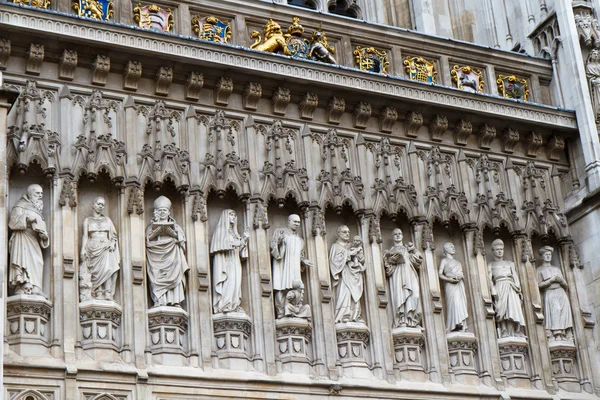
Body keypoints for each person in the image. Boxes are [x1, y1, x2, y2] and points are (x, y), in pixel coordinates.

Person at [146, 196, 189, 307]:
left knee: (175, 275)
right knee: (156, 277)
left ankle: (174, 301)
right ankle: (160, 301)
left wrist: (173, 234)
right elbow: (147, 240)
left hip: (173, 256)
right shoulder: (151, 227)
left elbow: (182, 241)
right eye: (160, 210)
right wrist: (156, 232)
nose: (162, 212)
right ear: (156, 212)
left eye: (164, 210)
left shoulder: (176, 227)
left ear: (169, 212)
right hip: (156, 256)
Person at [9, 184, 49, 296]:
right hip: (22, 238)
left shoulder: (38, 210)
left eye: (41, 193)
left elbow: (42, 230)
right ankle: (22, 286)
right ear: (30, 194)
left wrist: (44, 237)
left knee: (38, 261)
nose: (40, 196)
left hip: (34, 239)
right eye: (37, 193)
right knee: (23, 260)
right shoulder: (20, 206)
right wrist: (26, 219)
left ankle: (36, 286)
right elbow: (12, 222)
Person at [271, 214, 313, 319]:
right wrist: (279, 242)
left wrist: (304, 261)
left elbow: (300, 255)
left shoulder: (300, 240)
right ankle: (280, 312)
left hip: (294, 269)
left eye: (298, 222)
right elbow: (273, 247)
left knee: (295, 288)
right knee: (281, 288)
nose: (297, 224)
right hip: (282, 267)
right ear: (289, 221)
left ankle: (293, 309)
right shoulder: (280, 232)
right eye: (295, 222)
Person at [80, 197, 120, 301]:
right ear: (93, 204)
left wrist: (112, 243)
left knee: (108, 268)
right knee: (95, 271)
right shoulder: (87, 220)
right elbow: (85, 236)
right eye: (99, 204)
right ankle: (98, 292)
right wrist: (82, 250)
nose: (101, 206)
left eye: (103, 205)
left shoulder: (107, 220)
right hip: (92, 247)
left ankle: (107, 293)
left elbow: (113, 235)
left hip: (106, 247)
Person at [210, 209, 250, 314]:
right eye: (231, 215)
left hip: (235, 261)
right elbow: (223, 245)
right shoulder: (220, 231)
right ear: (225, 217)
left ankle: (234, 304)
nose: (233, 217)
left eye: (234, 215)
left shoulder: (235, 233)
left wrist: (243, 241)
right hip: (226, 263)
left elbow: (239, 250)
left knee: (236, 284)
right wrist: (242, 240)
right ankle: (225, 304)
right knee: (229, 281)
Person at [383, 228, 423, 328]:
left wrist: (413, 250)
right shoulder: (390, 251)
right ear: (392, 237)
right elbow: (387, 268)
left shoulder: (408, 249)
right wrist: (390, 260)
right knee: (401, 297)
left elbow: (418, 261)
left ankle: (412, 320)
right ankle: (402, 320)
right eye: (395, 234)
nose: (398, 235)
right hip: (398, 276)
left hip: (410, 274)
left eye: (400, 233)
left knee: (415, 296)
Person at [488, 239, 526, 338]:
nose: (500, 251)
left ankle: (515, 330)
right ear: (493, 251)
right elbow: (489, 279)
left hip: (510, 286)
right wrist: (493, 290)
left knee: (513, 307)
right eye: (497, 250)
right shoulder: (491, 265)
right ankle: (504, 330)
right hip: (499, 285)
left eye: (501, 249)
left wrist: (518, 288)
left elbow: (515, 276)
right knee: (502, 309)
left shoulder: (510, 263)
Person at [537, 246, 573, 342]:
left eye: (550, 255)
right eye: (546, 255)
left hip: (560, 293)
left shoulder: (556, 269)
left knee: (563, 313)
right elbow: (538, 285)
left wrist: (561, 281)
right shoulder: (539, 270)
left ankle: (564, 334)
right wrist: (551, 280)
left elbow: (566, 285)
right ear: (542, 257)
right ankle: (557, 334)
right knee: (555, 312)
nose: (548, 256)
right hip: (550, 293)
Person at [330, 227, 366, 323]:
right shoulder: (335, 246)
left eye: (348, 232)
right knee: (345, 293)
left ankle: (355, 315)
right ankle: (344, 315)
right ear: (338, 233)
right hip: (344, 275)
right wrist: (349, 254)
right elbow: (334, 262)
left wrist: (359, 254)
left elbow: (362, 259)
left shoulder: (351, 245)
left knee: (355, 294)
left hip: (355, 274)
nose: (347, 234)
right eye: (344, 232)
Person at [438, 242, 468, 332]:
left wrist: (460, 276)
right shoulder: (444, 261)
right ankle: (453, 324)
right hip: (450, 284)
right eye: (451, 247)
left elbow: (462, 274)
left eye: (454, 246)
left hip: (459, 284)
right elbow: (440, 274)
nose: (453, 248)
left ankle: (462, 324)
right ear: (446, 249)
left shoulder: (458, 263)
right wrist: (449, 279)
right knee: (453, 302)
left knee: (461, 303)